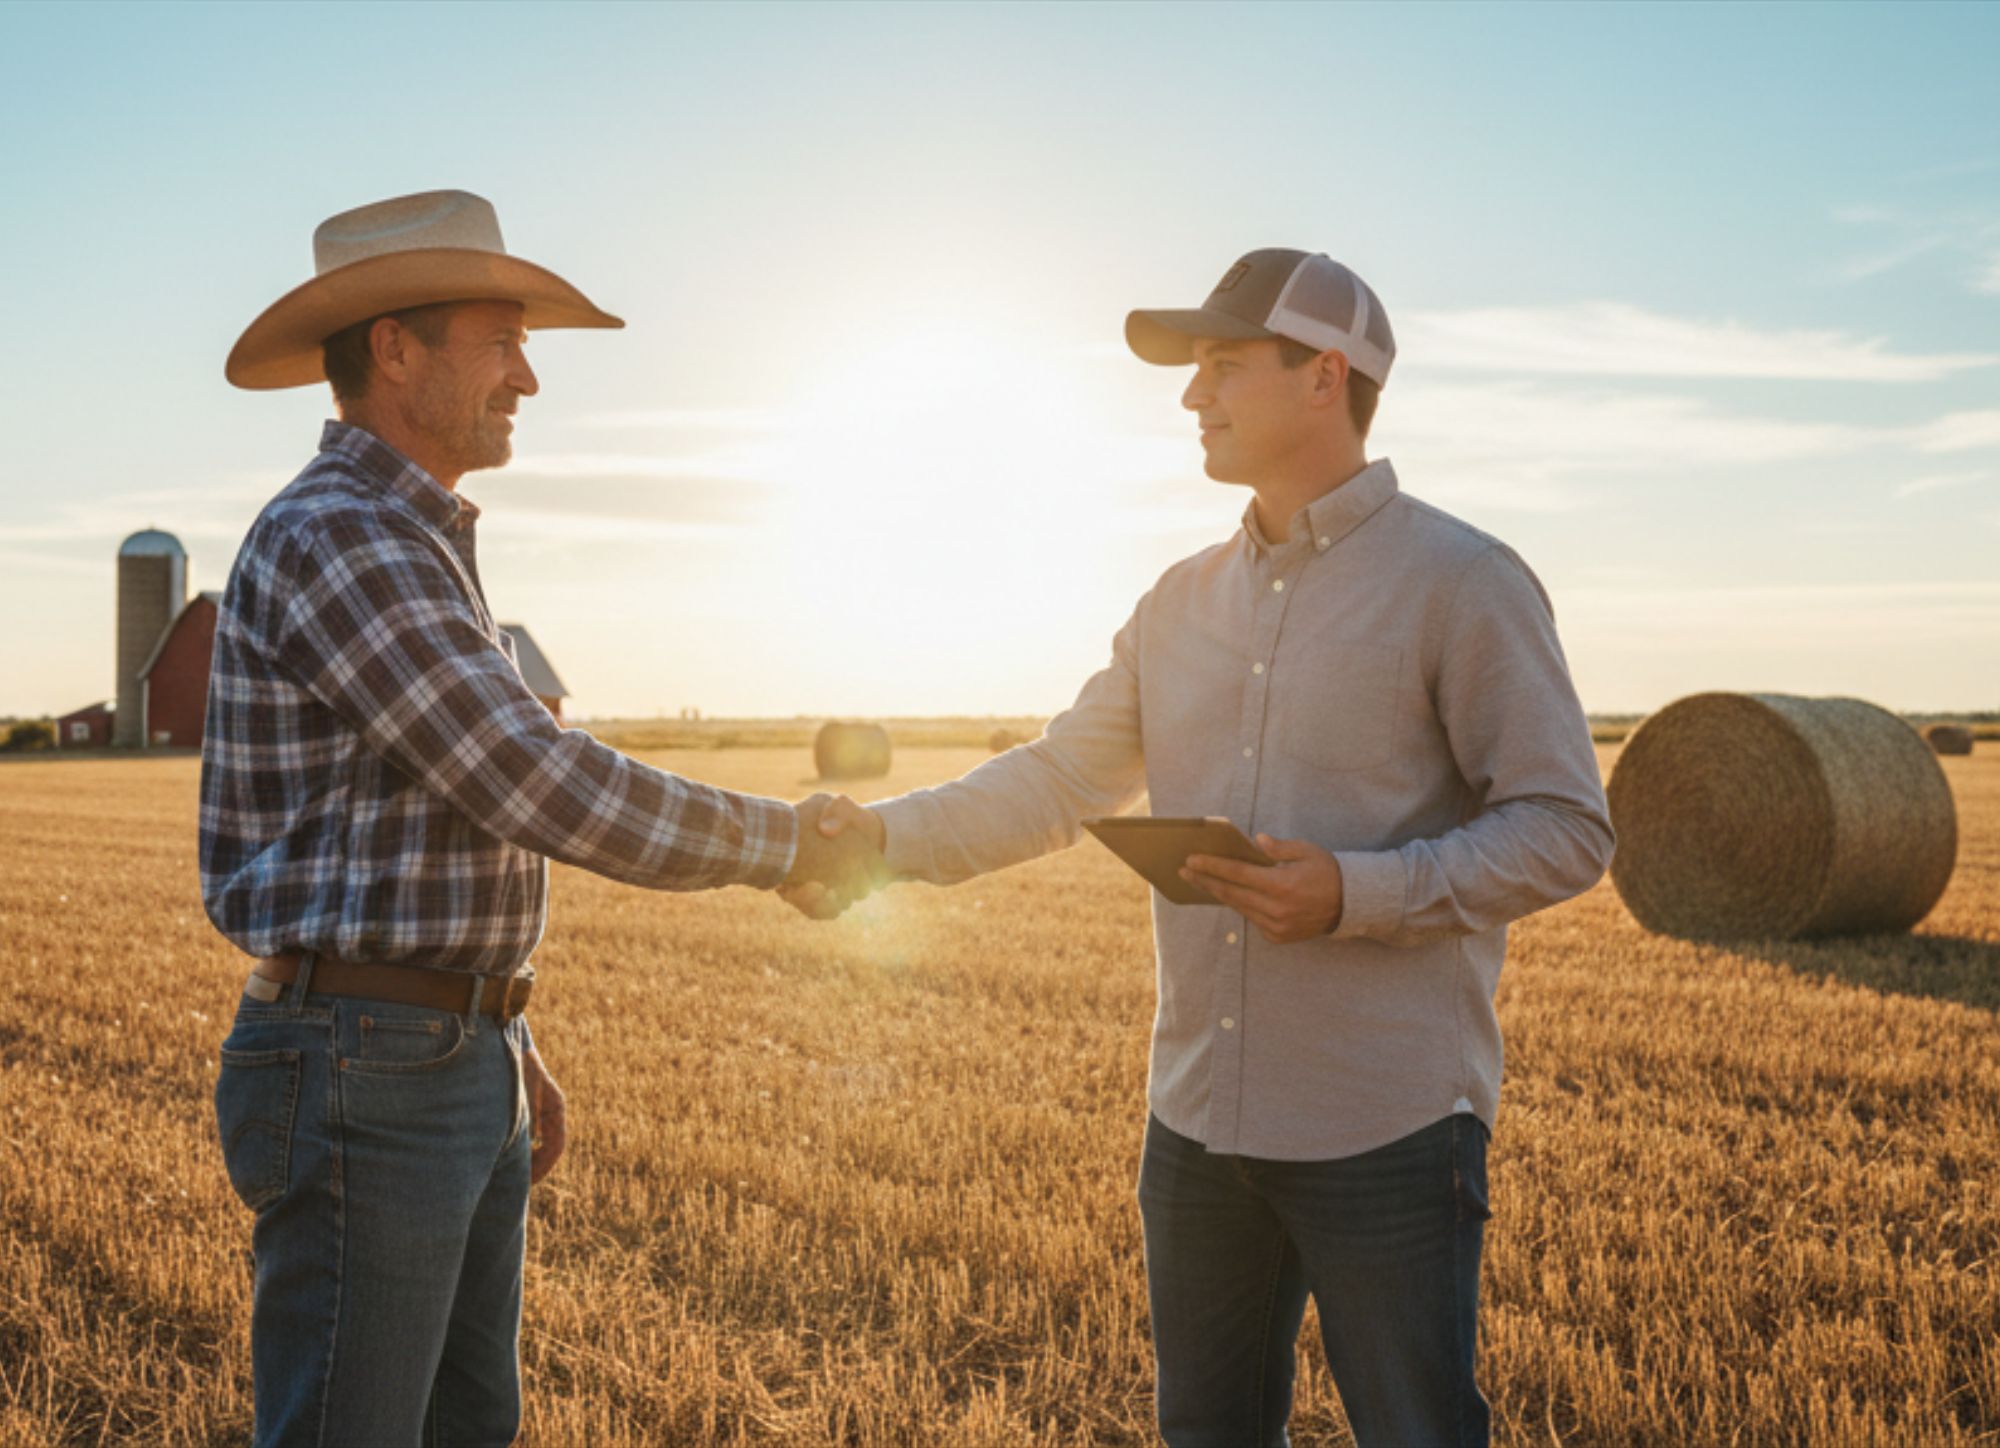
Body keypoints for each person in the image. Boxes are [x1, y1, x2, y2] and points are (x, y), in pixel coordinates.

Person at [803, 249, 1615, 1447]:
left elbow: (1564, 827)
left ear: (1322, 376)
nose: (1193, 396)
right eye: (1194, 371)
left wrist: (1355, 889)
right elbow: (1056, 777)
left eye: (1223, 366)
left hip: (1383, 1123)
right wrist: (879, 836)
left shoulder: (1463, 581)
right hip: (1192, 1122)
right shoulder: (1176, 600)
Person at [205, 189, 881, 1447]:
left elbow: (427, 833)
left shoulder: (412, 535)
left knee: (472, 1424)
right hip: (369, 1066)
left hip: (429, 1050)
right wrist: (785, 842)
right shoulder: (343, 532)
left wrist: (499, 1029)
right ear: (394, 348)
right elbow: (530, 774)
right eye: (499, 338)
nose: (527, 376)